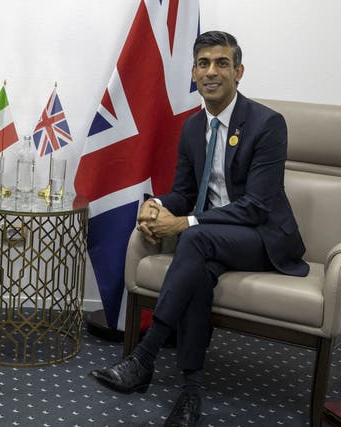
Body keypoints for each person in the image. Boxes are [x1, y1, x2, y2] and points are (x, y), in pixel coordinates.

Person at [90, 31, 308, 426]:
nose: (212, 72)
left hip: (264, 238)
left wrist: (186, 221)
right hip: (212, 241)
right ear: (193, 73)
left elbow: (257, 206)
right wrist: (156, 206)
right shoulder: (193, 128)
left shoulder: (267, 124)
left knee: (194, 236)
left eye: (222, 63)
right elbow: (185, 192)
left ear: (238, 72)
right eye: (203, 64)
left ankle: (145, 356)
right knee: (198, 273)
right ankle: (191, 394)